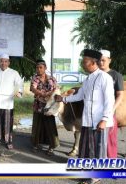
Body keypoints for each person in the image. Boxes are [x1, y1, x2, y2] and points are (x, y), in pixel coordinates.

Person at [55, 49, 114, 184]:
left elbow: (109, 101)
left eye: (85, 61)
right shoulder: (87, 79)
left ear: (94, 62)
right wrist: (63, 99)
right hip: (87, 121)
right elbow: (79, 96)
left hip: (100, 122)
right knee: (86, 149)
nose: (82, 63)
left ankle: (95, 177)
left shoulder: (105, 78)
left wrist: (105, 119)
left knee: (98, 150)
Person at [0, 53, 23, 150]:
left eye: (5, 61)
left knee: (7, 123)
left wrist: (19, 92)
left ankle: (8, 141)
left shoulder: (14, 73)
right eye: (1, 61)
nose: (3, 63)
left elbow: (20, 84)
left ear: (9, 62)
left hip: (8, 104)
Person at [30, 59, 60, 155]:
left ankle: (52, 147)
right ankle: (35, 144)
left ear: (45, 68)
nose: (38, 69)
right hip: (38, 106)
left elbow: (56, 89)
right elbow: (32, 88)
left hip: (49, 107)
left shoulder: (52, 79)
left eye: (40, 67)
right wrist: (43, 94)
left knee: (50, 127)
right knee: (37, 126)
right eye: (37, 68)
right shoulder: (35, 78)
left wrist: (50, 94)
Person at [99, 49, 124, 158]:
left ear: (109, 60)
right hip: (95, 112)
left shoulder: (116, 75)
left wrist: (111, 111)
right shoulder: (95, 75)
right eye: (99, 60)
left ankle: (111, 164)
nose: (101, 63)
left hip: (109, 113)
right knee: (96, 141)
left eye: (103, 60)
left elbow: (120, 95)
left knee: (110, 142)